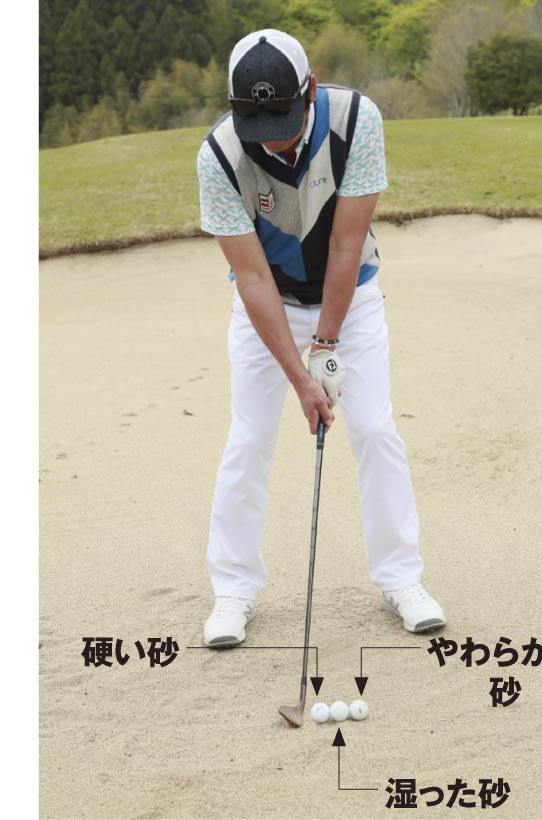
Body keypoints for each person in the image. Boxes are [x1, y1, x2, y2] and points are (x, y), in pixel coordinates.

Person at [196, 29, 446, 647]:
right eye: (260, 126)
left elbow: (345, 243)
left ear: (309, 90)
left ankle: (401, 579)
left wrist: (326, 346)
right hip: (269, 305)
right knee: (249, 439)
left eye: (282, 122)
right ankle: (234, 590)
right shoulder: (219, 157)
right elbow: (252, 277)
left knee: (375, 430)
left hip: (350, 300)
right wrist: (300, 377)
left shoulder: (357, 120)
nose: (274, 138)